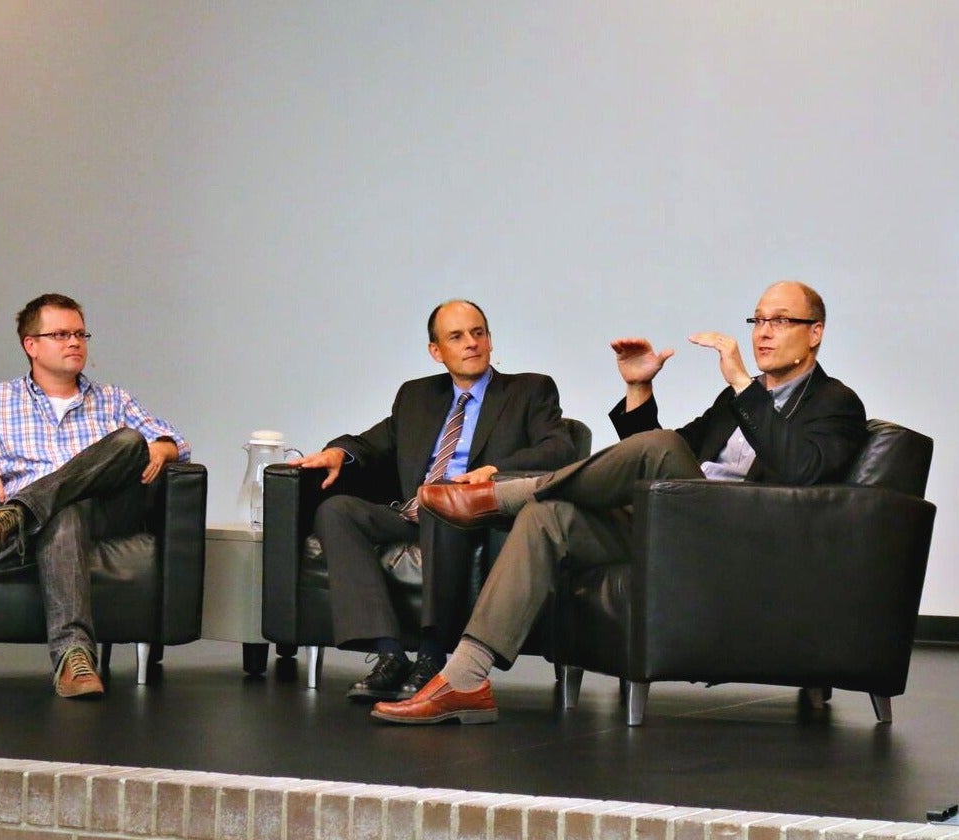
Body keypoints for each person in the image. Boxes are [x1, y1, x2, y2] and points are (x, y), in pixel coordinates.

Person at [372, 280, 868, 725]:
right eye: (759, 320)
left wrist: (741, 383)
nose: (764, 332)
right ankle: (465, 679)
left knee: (648, 452)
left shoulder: (835, 403)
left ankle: (501, 495)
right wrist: (639, 388)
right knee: (549, 516)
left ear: (815, 332)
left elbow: (802, 471)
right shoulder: (736, 402)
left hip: (738, 538)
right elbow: (663, 451)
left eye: (780, 321)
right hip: (677, 523)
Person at [287, 300, 577, 703]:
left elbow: (560, 448)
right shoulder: (417, 396)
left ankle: (431, 654)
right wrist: (339, 452)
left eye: (479, 333)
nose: (471, 343)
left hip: (474, 514)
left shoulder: (529, 390)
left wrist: (495, 469)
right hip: (413, 511)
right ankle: (388, 653)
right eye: (456, 337)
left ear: (491, 341)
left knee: (442, 502)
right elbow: (374, 443)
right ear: (436, 351)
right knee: (336, 511)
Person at [0, 293, 190, 699]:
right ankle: (74, 658)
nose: (74, 342)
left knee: (129, 441)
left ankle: (20, 513)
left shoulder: (114, 399)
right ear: (31, 345)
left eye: (79, 333)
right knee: (63, 512)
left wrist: (159, 449)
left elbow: (174, 439)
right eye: (60, 334)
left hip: (107, 514)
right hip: (62, 522)